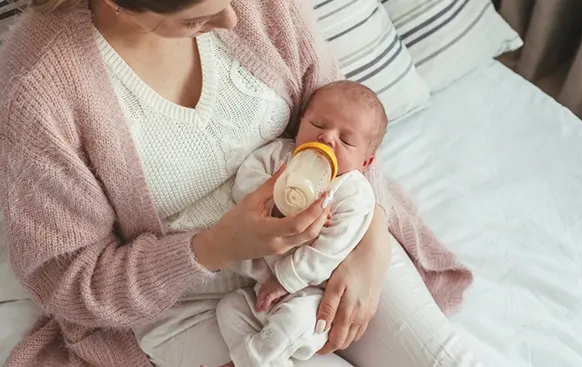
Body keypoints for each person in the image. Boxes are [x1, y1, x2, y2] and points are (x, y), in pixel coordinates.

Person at [0, 0, 478, 366]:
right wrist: (214, 247)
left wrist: (370, 244)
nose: (234, 18)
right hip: (183, 296)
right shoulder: (38, 88)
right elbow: (71, 280)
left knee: (442, 358)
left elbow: (351, 121)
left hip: (332, 239)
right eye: (198, 19)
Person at [213, 81, 386, 367]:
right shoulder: (279, 156)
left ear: (365, 162)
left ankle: (242, 363)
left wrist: (286, 280)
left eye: (346, 140)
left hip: (313, 292)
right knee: (229, 308)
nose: (327, 138)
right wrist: (273, 202)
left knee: (296, 321)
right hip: (261, 286)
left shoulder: (352, 192)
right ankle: (267, 359)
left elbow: (331, 248)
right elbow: (245, 184)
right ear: (301, 122)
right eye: (318, 124)